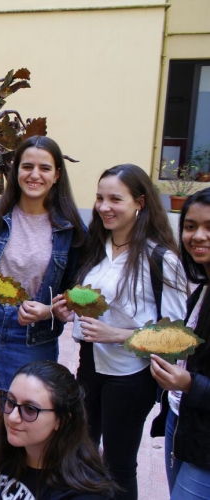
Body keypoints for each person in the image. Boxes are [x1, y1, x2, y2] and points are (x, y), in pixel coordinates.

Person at [60, 164, 187, 500]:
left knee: (117, 465)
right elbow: (90, 301)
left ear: (140, 203)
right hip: (89, 368)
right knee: (80, 455)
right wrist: (66, 307)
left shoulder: (160, 259)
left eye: (115, 198)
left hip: (131, 378)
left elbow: (174, 336)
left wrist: (116, 334)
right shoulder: (94, 248)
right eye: (100, 198)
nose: (104, 206)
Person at [0, 136, 86, 442]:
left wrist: (49, 310)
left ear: (57, 175)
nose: (34, 175)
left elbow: (76, 292)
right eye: (27, 166)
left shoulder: (71, 228)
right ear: (16, 171)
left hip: (34, 334)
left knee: (29, 422)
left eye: (44, 168)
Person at [0, 360, 118, 500]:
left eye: (30, 409)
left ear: (62, 420)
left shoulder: (85, 493)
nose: (13, 417)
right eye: (10, 401)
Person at [150, 187, 210, 499]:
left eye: (209, 227)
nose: (198, 236)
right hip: (181, 418)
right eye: (190, 226)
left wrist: (189, 383)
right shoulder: (201, 290)